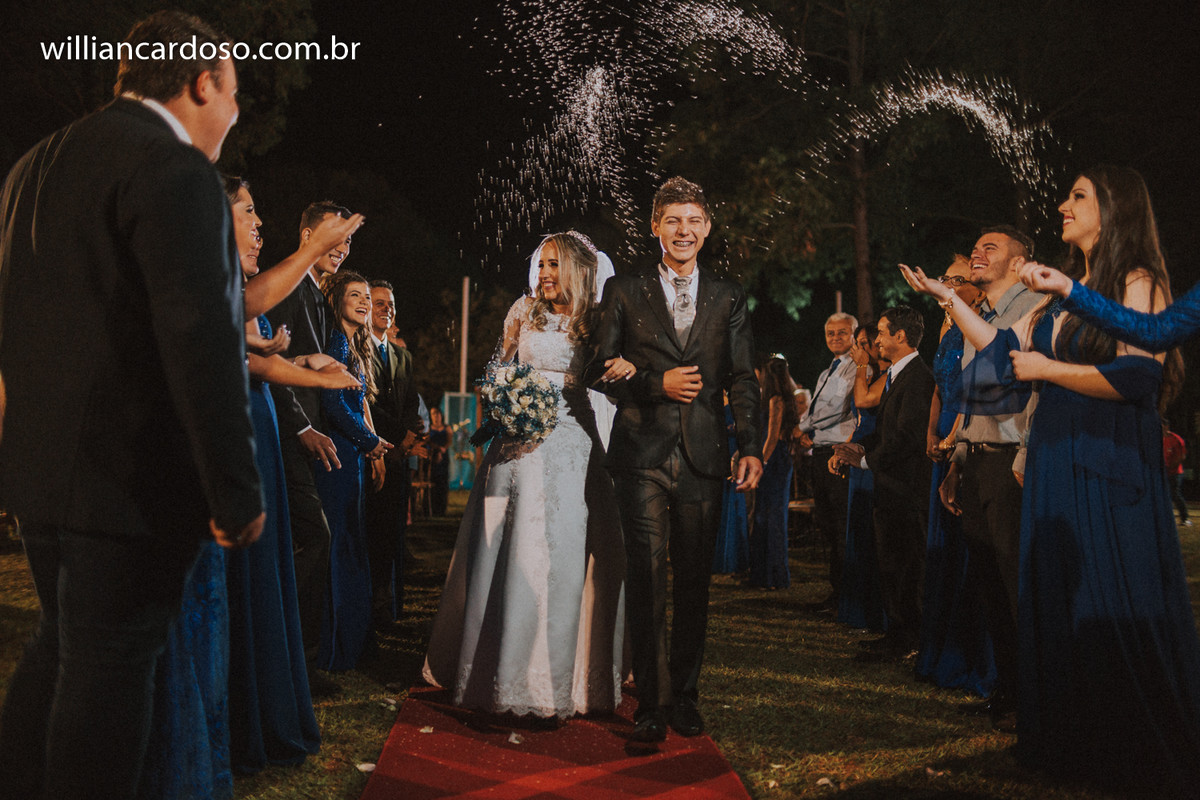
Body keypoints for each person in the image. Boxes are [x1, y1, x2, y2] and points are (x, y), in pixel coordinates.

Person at [0, 12, 263, 800]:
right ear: (201, 82)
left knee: (62, 649)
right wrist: (235, 486)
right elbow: (200, 338)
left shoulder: (34, 166)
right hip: (127, 480)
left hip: (40, 474)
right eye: (234, 92)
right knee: (109, 668)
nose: (235, 113)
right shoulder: (175, 171)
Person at [901, 165, 1200, 795]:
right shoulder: (1069, 289)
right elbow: (1005, 355)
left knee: (1106, 596)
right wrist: (950, 301)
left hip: (1106, 455)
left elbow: (1139, 378)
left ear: (1113, 209)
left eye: (1079, 196)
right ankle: (1071, 736)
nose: (1064, 205)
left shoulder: (1136, 281)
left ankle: (1125, 740)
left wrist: (1050, 371)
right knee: (1058, 596)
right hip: (1058, 456)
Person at [423, 231, 630, 719]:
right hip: (515, 443)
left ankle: (566, 679)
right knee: (509, 545)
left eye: (554, 265)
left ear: (579, 270)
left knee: (564, 550)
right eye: (540, 266)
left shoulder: (596, 320)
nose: (544, 275)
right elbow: (496, 370)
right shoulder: (521, 311)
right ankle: (498, 666)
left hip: (575, 445)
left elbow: (609, 385)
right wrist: (497, 416)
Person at [590, 177, 762, 743]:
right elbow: (597, 368)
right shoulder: (623, 288)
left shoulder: (729, 294)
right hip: (640, 453)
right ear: (656, 226)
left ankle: (685, 694)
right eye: (673, 221)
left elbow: (741, 377)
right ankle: (651, 705)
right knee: (646, 577)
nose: (684, 230)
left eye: (694, 221)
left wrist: (750, 446)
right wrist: (652, 382)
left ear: (707, 227)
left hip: (705, 456)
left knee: (693, 582)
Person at [223, 177, 363, 772]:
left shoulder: (257, 285)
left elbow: (252, 354)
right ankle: (276, 679)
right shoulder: (240, 281)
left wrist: (300, 363)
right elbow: (236, 345)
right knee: (268, 564)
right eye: (248, 210)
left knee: (276, 563)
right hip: (252, 431)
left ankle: (280, 681)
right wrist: (307, 377)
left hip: (260, 422)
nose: (259, 222)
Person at [935, 228, 1042, 727]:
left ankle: (1036, 699)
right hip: (976, 459)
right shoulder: (981, 318)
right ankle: (1009, 688)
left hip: (1009, 462)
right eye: (974, 247)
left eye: (990, 248)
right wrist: (958, 457)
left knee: (1017, 580)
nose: (976, 253)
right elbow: (973, 401)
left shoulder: (1033, 308)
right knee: (990, 583)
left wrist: (1025, 452)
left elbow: (1038, 387)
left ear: (1021, 261)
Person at [266, 201, 357, 695]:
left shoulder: (317, 293)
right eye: (332, 237)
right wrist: (302, 426)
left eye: (347, 242)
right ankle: (294, 665)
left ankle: (297, 662)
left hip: (305, 433)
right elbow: (273, 362)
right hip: (283, 432)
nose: (341, 248)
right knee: (312, 538)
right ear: (305, 235)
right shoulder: (285, 285)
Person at [912, 255, 996, 698]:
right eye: (944, 277)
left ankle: (968, 656)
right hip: (941, 433)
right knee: (939, 550)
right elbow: (939, 388)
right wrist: (930, 430)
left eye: (955, 279)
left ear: (977, 291)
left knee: (966, 549)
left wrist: (953, 435)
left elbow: (971, 385)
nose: (945, 284)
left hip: (965, 435)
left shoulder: (978, 324)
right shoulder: (946, 327)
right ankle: (936, 649)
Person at [832, 306, 935, 661]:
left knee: (907, 565)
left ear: (900, 336)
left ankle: (910, 638)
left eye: (881, 333)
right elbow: (886, 431)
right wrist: (860, 445)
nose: (876, 340)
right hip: (891, 487)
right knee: (892, 563)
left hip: (906, 489)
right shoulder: (897, 376)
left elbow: (907, 437)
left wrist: (864, 460)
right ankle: (897, 633)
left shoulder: (919, 378)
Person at [314, 271, 391, 670]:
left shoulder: (352, 344)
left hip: (352, 454)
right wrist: (369, 442)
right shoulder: (335, 341)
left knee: (350, 542)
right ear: (337, 300)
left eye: (367, 295)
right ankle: (336, 648)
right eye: (355, 295)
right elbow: (332, 405)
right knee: (340, 543)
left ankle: (352, 641)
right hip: (338, 456)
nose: (364, 302)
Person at [365, 280, 425, 625]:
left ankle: (392, 605)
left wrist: (411, 435)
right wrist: (398, 434)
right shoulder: (358, 348)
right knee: (371, 532)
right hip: (372, 451)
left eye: (391, 304)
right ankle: (372, 605)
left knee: (394, 534)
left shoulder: (402, 355)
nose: (387, 309)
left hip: (400, 456)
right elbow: (369, 402)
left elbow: (411, 400)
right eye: (380, 303)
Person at [796, 313, 859, 611]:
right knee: (828, 525)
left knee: (842, 524)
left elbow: (837, 407)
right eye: (830, 333)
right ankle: (837, 591)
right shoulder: (826, 372)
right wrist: (811, 432)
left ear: (854, 335)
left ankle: (848, 594)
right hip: (821, 453)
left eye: (842, 332)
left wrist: (804, 427)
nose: (835, 337)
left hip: (839, 453)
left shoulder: (854, 368)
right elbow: (821, 409)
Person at [834, 323, 888, 631]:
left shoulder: (884, 376)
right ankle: (856, 610)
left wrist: (861, 368)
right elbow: (858, 420)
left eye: (866, 342)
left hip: (875, 458)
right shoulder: (871, 373)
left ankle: (874, 613)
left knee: (871, 536)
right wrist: (842, 451)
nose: (863, 348)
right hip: (859, 451)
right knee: (856, 532)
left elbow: (862, 402)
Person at [748, 355, 797, 589]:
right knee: (762, 517)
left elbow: (773, 436)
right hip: (769, 460)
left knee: (773, 518)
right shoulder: (770, 397)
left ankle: (776, 576)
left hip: (774, 462)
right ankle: (761, 575)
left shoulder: (776, 399)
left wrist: (762, 463)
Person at [712, 395, 750, 575]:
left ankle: (734, 560)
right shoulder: (714, 401)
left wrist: (737, 455)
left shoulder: (736, 403)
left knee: (734, 507)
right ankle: (718, 559)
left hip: (733, 454)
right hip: (718, 454)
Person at [426, 406, 451, 516]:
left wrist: (443, 449)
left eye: (437, 413)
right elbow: (427, 441)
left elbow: (449, 441)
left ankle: (442, 509)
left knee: (443, 482)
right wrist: (436, 449)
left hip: (444, 457)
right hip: (432, 457)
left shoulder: (447, 428)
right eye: (433, 414)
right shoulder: (429, 428)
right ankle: (431, 508)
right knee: (432, 482)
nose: (436, 416)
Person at [1163, 424, 1189, 524]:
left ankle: (1185, 518)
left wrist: (1170, 468)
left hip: (1175, 472)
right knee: (1165, 495)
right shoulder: (1160, 439)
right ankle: (1166, 517)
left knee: (1175, 494)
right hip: (1164, 472)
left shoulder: (1175, 439)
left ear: (1166, 427)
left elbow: (1181, 456)